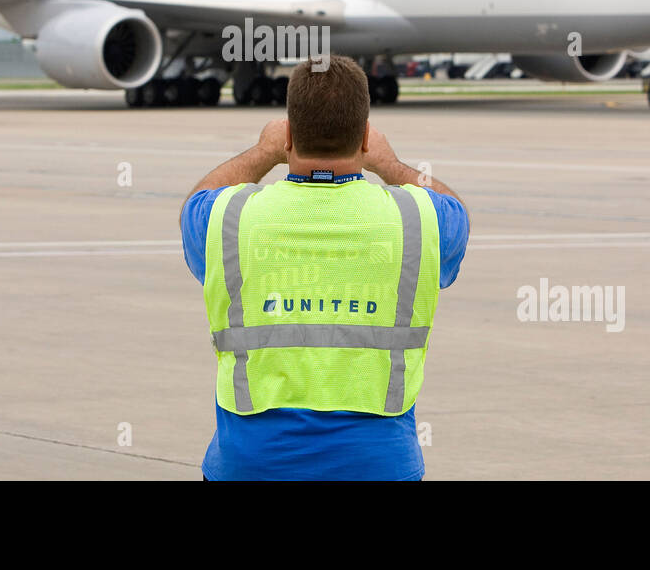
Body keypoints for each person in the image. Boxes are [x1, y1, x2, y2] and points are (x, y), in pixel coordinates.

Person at [179, 55, 469, 480]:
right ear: (366, 138)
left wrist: (263, 153)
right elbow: (456, 209)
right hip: (377, 466)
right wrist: (389, 164)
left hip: (251, 465)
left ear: (289, 135)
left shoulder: (227, 218)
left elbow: (196, 201)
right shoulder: (422, 220)